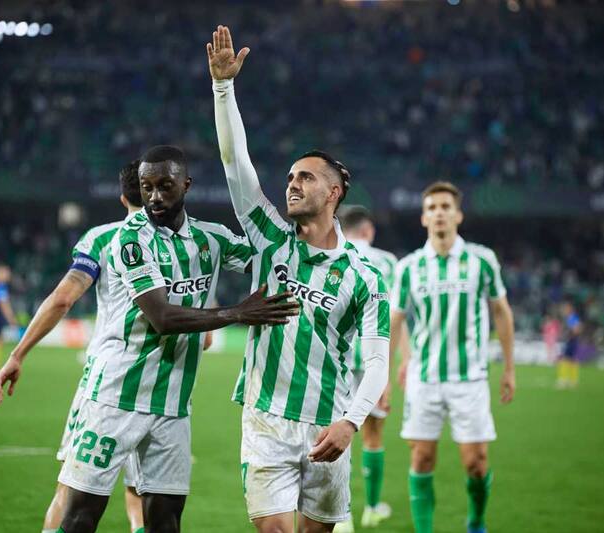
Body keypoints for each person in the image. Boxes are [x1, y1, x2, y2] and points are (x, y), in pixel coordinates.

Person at [0, 145, 300, 533]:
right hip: (114, 398)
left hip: (173, 405)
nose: (154, 196)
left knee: (166, 521)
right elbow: (162, 318)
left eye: (165, 186)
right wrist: (239, 313)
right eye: (146, 187)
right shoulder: (129, 239)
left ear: (186, 185)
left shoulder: (211, 238)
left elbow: (275, 256)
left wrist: (308, 226)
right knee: (81, 515)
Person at [209, 26, 390, 533]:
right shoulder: (269, 237)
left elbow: (377, 361)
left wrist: (351, 421)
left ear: (333, 193)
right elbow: (235, 164)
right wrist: (223, 88)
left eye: (305, 177)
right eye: (289, 177)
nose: (291, 184)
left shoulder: (365, 275)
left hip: (328, 422)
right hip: (265, 419)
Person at [0, 159, 147, 533]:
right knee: (143, 493)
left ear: (122, 197)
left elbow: (63, 299)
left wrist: (17, 354)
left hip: (106, 385)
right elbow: (205, 339)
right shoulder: (183, 246)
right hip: (164, 392)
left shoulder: (103, 239)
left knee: (72, 489)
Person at [390, 181, 515, 533]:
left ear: (458, 215)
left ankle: (475, 521)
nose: (439, 213)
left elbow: (501, 311)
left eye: (446, 207)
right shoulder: (409, 267)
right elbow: (395, 321)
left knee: (476, 462)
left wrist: (509, 368)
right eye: (432, 208)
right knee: (421, 458)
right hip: (424, 378)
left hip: (469, 378)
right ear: (423, 218)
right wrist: (388, 372)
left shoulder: (481, 260)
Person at [335, 206, 409, 531]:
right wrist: (401, 361)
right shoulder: (387, 262)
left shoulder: (333, 253)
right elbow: (394, 317)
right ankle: (373, 508)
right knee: (373, 434)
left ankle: (342, 516)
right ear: (368, 230)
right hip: (373, 361)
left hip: (337, 360)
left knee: (337, 434)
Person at [556, 301, 582, 389]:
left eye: (566, 309)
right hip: (572, 341)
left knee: (565, 359)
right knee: (571, 360)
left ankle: (564, 380)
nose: (564, 310)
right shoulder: (571, 317)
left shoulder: (572, 318)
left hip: (571, 341)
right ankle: (572, 380)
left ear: (570, 309)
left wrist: (570, 333)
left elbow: (577, 329)